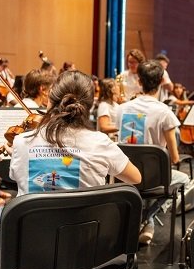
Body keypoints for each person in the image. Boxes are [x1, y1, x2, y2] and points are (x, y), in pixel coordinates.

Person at [9, 71, 141, 197]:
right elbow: (135, 177)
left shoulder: (21, 141)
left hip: (34, 220)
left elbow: (18, 178)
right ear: (89, 106)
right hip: (87, 220)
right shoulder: (101, 142)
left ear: (50, 99)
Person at [115, 60, 190, 244]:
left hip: (124, 175)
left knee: (149, 180)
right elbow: (174, 157)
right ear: (161, 81)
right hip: (154, 179)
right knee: (184, 179)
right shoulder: (165, 113)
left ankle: (142, 221)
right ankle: (145, 218)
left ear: (139, 81)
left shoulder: (121, 110)